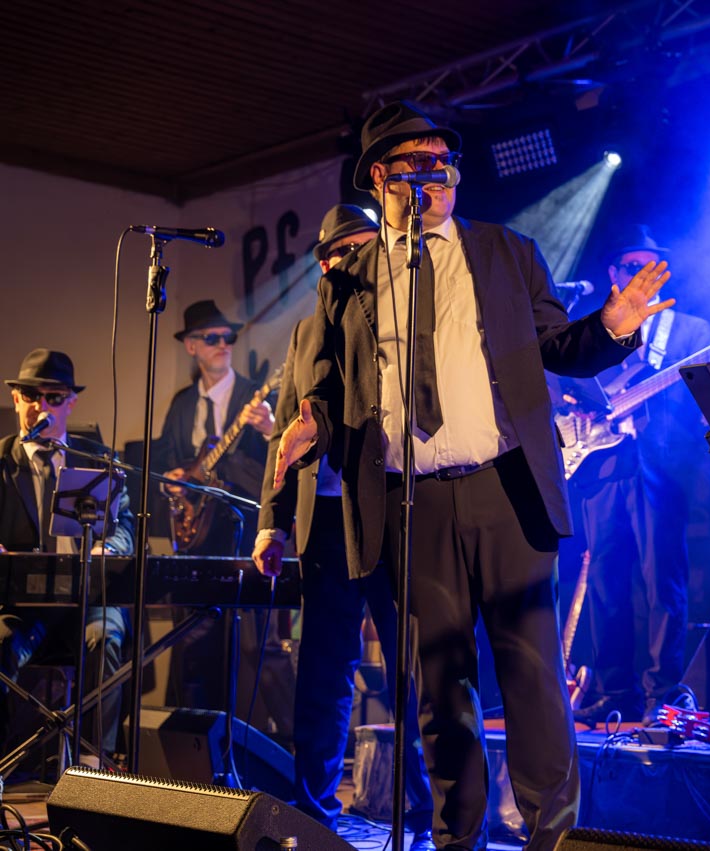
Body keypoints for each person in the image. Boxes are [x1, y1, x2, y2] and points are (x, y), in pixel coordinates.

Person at [269, 100, 671, 851]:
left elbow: (559, 345)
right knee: (439, 685)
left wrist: (613, 327)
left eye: (443, 162)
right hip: (408, 500)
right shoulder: (350, 277)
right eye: (416, 163)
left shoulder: (505, 250)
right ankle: (459, 839)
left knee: (531, 672)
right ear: (380, 177)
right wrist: (313, 421)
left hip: (504, 488)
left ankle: (553, 838)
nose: (436, 174)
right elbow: (330, 380)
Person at [254, 204, 431, 832]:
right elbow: (285, 432)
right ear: (325, 265)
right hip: (325, 520)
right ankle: (314, 812)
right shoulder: (305, 333)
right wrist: (272, 523)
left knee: (410, 667)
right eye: (341, 252)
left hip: (389, 514)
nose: (352, 260)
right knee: (324, 669)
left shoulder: (401, 321)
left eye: (363, 247)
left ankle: (426, 812)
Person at [566, 225, 710, 726]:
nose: (640, 275)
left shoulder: (689, 331)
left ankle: (662, 693)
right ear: (613, 273)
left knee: (661, 581)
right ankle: (615, 691)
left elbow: (703, 400)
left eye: (649, 266)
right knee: (605, 581)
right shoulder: (595, 326)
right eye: (631, 266)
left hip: (660, 466)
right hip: (603, 463)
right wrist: (575, 406)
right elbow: (565, 380)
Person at [0, 348, 134, 760]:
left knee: (104, 638)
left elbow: (125, 526)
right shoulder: (1, 461)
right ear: (16, 399)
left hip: (89, 599)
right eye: (30, 395)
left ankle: (94, 764)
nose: (41, 406)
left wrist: (107, 546)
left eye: (54, 397)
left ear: (71, 402)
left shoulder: (98, 460)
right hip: (22, 605)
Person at [155, 299, 275, 556]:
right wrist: (169, 481)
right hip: (195, 527)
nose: (223, 345)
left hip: (246, 526)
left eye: (228, 338)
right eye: (211, 338)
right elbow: (165, 455)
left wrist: (269, 428)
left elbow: (283, 457)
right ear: (191, 346)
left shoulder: (255, 397)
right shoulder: (182, 403)